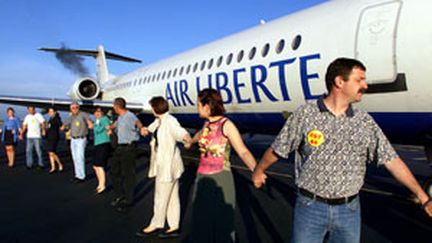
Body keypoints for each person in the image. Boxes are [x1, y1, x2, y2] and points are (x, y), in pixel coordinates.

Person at [252, 58, 432, 243]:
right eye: (359, 80)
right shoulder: (305, 114)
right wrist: (258, 171)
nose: (365, 85)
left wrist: (423, 196)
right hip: (311, 207)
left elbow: (392, 161)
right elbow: (278, 149)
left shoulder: (364, 122)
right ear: (339, 82)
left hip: (349, 210)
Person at [185, 88, 257, 243]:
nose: (197, 108)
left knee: (223, 225)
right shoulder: (206, 125)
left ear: (207, 106)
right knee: (199, 222)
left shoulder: (226, 125)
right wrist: (190, 140)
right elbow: (199, 135)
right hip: (202, 178)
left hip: (221, 178)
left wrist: (256, 171)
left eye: (198, 104)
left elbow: (243, 151)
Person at [135, 97, 191, 238]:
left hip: (167, 166)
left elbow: (179, 131)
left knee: (160, 197)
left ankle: (155, 224)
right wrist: (145, 129)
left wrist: (186, 137)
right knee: (172, 198)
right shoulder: (160, 120)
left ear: (155, 108)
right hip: (169, 166)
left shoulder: (170, 121)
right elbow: (152, 128)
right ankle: (174, 226)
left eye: (152, 106)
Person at [107, 97, 143, 213]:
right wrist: (110, 127)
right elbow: (115, 125)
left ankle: (129, 199)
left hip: (129, 148)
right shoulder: (120, 117)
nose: (113, 108)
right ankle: (120, 195)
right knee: (113, 171)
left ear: (117, 107)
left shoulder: (130, 116)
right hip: (120, 147)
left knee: (128, 174)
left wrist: (141, 129)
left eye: (113, 106)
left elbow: (138, 124)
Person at [61, 102, 93, 182]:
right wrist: (63, 127)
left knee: (80, 157)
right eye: (73, 108)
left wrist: (90, 124)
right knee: (75, 158)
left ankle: (81, 176)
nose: (75, 109)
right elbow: (65, 126)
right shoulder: (71, 117)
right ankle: (77, 175)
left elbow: (89, 122)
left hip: (81, 138)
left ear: (79, 108)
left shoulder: (83, 114)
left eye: (76, 107)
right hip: (73, 139)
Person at [92, 106, 111, 194]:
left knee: (100, 165)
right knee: (95, 166)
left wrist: (95, 126)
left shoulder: (104, 119)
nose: (97, 113)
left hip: (103, 143)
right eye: (96, 112)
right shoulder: (97, 121)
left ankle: (102, 185)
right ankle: (100, 184)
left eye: (99, 111)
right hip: (97, 143)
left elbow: (99, 130)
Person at [46, 107, 63, 173]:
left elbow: (61, 125)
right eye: (49, 112)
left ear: (55, 112)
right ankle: (53, 167)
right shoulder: (50, 119)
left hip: (54, 137)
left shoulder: (56, 119)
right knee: (50, 152)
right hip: (49, 137)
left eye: (51, 111)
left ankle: (60, 164)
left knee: (52, 152)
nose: (50, 113)